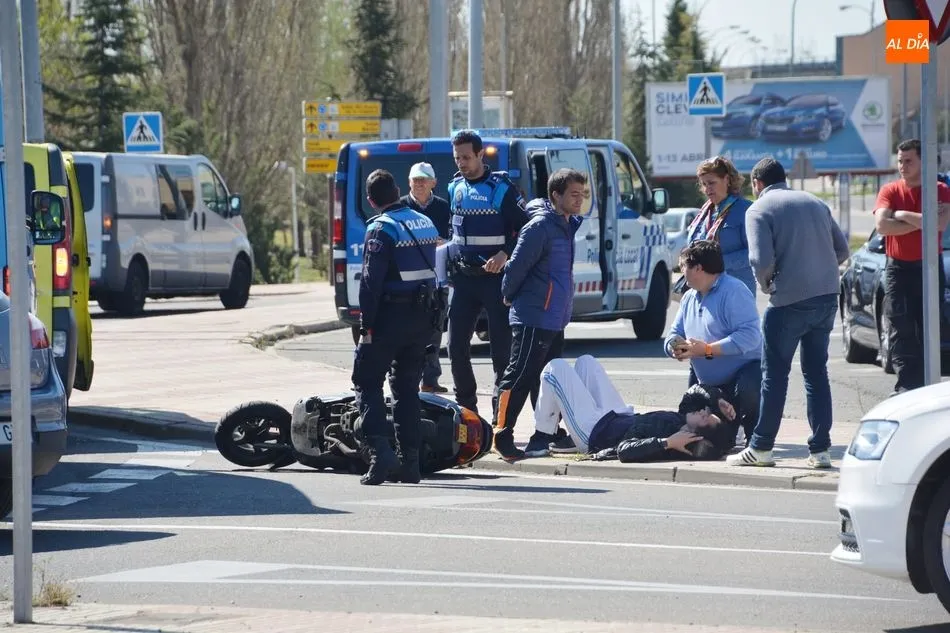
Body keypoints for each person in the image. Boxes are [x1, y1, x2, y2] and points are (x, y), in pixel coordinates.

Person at [730, 157, 850, 469]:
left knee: (774, 376)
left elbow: (760, 259)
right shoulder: (814, 202)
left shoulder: (758, 209)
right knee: (816, 374)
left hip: (787, 303)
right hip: (826, 298)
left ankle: (761, 448)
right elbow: (842, 249)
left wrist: (770, 284)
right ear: (783, 178)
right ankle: (821, 450)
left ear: (757, 184)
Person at [351, 169, 441, 486]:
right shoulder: (425, 222)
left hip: (391, 317)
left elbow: (371, 283)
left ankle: (380, 453)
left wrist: (366, 326)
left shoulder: (380, 228)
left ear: (370, 199)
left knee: (365, 379)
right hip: (422, 319)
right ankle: (411, 464)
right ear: (399, 190)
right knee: (406, 389)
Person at [491, 168, 586, 460]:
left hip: (555, 317)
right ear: (556, 195)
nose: (579, 200)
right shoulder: (540, 227)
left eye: (582, 194)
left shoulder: (567, 225)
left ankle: (546, 434)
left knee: (547, 379)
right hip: (533, 316)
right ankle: (502, 433)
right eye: (574, 194)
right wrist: (508, 295)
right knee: (519, 375)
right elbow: (516, 267)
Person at [446, 130, 530, 417]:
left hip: (495, 281)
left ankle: (499, 415)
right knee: (455, 347)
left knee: (502, 355)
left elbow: (527, 229)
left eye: (467, 157)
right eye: (457, 158)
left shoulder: (501, 189)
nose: (462, 163)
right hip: (464, 280)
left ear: (481, 155)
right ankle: (467, 410)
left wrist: (505, 253)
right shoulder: (454, 187)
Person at [528, 355, 733, 462]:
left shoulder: (668, 441)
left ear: (693, 437)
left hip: (595, 432)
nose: (705, 411)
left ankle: (542, 436)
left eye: (707, 417)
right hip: (618, 415)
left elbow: (624, 451)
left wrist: (666, 443)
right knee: (586, 362)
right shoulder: (683, 420)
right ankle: (567, 439)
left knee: (554, 369)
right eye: (709, 412)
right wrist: (717, 400)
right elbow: (692, 395)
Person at [663, 240, 762, 446]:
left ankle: (756, 440)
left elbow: (751, 336)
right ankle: (730, 433)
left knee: (749, 391)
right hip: (707, 384)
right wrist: (675, 347)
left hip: (742, 375)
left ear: (698, 268)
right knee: (706, 436)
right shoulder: (689, 297)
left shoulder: (734, 291)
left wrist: (707, 350)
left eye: (684, 267)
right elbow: (674, 333)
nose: (681, 273)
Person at [873, 139, 950, 395]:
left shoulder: (939, 190)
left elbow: (939, 225)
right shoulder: (890, 191)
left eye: (909, 161)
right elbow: (883, 226)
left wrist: (903, 215)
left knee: (928, 325)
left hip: (928, 266)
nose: (903, 166)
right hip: (898, 269)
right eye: (900, 161)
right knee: (900, 325)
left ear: (922, 162)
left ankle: (929, 384)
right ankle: (907, 385)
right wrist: (921, 222)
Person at [400, 161, 452, 394]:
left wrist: (445, 242)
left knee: (435, 329)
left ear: (433, 183)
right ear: (409, 182)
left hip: (436, 279)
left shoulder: (443, 208)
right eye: (415, 180)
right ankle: (407, 378)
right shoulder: (399, 207)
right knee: (408, 330)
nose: (419, 184)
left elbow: (455, 237)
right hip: (407, 282)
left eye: (424, 179)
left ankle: (430, 380)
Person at [685, 156, 756, 296]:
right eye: (704, 184)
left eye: (711, 183)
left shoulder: (746, 210)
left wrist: (717, 262)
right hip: (705, 292)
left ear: (727, 180)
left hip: (736, 293)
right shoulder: (703, 213)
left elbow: (754, 253)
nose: (707, 189)